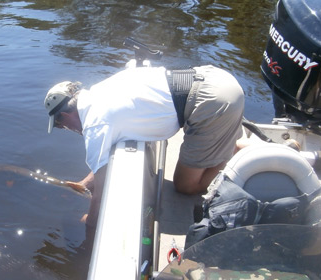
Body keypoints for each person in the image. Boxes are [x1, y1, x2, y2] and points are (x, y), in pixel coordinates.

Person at [44, 65, 244, 228]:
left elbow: (102, 186)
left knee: (185, 186)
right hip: (213, 78)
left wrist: (90, 221)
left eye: (62, 126)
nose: (68, 129)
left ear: (64, 116)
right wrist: (84, 185)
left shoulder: (95, 124)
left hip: (212, 104)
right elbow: (100, 165)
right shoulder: (99, 93)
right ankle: (228, 142)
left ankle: (236, 155)